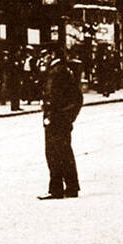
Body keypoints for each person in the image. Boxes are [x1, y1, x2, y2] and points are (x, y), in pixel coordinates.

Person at [38, 48, 83, 200]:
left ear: (52, 54)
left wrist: (57, 116)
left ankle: (57, 189)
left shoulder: (57, 72)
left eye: (45, 55)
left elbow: (59, 97)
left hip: (56, 119)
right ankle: (70, 187)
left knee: (55, 153)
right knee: (63, 152)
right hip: (59, 118)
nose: (43, 59)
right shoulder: (61, 70)